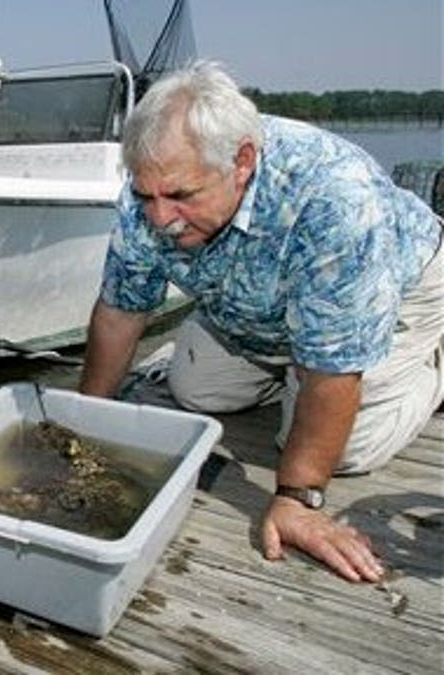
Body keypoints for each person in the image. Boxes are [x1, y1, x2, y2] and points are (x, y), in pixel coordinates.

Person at [79, 61, 443, 584]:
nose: (159, 218)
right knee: (197, 391)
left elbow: (332, 369)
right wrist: (88, 416)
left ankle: (433, 363)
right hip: (253, 313)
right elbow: (120, 311)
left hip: (396, 293)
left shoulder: (336, 199)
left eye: (181, 196)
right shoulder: (153, 187)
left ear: (242, 162)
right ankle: (282, 378)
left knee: (348, 450)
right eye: (145, 197)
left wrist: (297, 498)